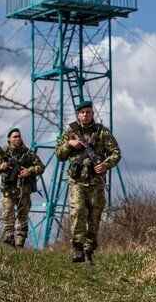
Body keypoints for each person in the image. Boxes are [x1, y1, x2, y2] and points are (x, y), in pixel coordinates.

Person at [55, 100, 121, 265]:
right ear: (78, 114)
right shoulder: (71, 131)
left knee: (94, 215)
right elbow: (59, 155)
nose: (85, 115)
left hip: (95, 182)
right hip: (77, 181)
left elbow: (115, 152)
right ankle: (77, 247)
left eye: (88, 112)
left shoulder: (101, 132)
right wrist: (69, 144)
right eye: (82, 112)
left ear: (93, 113)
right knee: (77, 211)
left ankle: (88, 251)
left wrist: (105, 164)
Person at [0, 128, 45, 248]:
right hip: (8, 190)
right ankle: (9, 237)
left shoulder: (28, 154)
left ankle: (20, 243)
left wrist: (29, 171)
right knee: (8, 213)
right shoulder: (3, 153)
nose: (18, 138)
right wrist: (1, 167)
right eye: (14, 137)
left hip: (23, 191)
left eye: (19, 136)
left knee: (23, 216)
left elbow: (41, 167)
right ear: (9, 139)